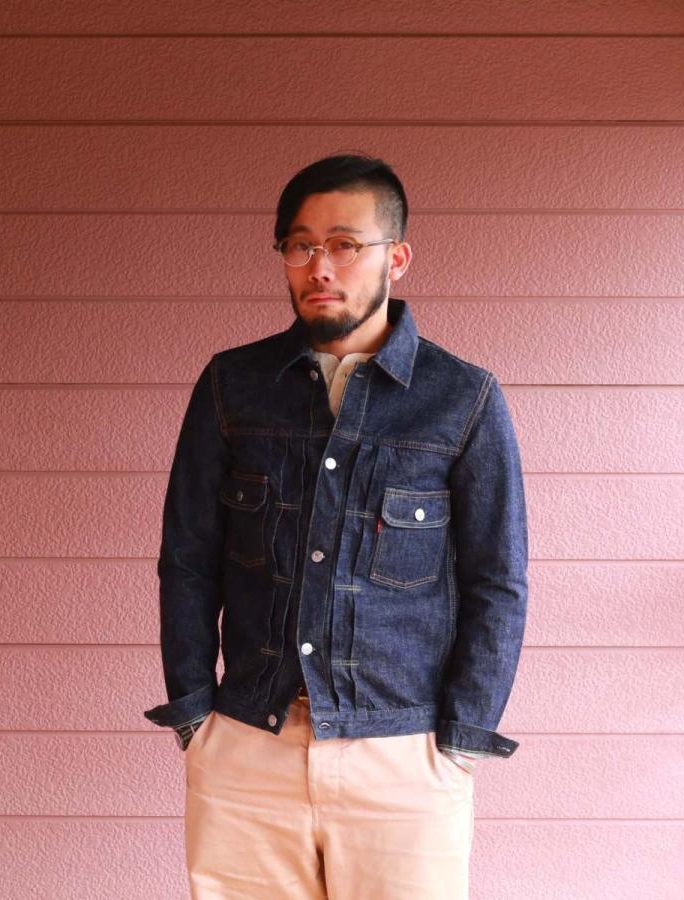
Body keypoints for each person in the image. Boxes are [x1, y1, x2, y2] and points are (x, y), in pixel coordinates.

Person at [144, 154, 529, 899]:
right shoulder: (233, 385)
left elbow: (497, 581)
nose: (320, 266)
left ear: (397, 258)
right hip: (248, 749)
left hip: (403, 757)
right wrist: (195, 715)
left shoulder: (463, 398)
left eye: (345, 245)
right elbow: (187, 557)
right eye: (300, 245)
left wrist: (460, 741)